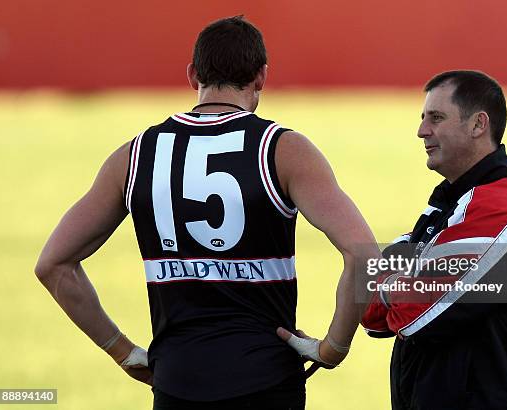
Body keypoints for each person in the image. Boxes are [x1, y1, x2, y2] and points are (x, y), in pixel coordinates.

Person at [35, 16, 378, 410]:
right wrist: (333, 347)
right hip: (266, 381)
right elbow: (365, 253)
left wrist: (123, 351)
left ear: (193, 74)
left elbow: (53, 264)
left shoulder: (135, 155)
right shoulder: (284, 150)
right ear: (261, 77)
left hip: (177, 381)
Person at [361, 70, 507, 409]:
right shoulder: (451, 202)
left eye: (436, 118)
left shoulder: (499, 206)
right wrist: (400, 281)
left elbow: (416, 314)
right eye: (423, 118)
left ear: (479, 125)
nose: (422, 131)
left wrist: (396, 281)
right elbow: (369, 308)